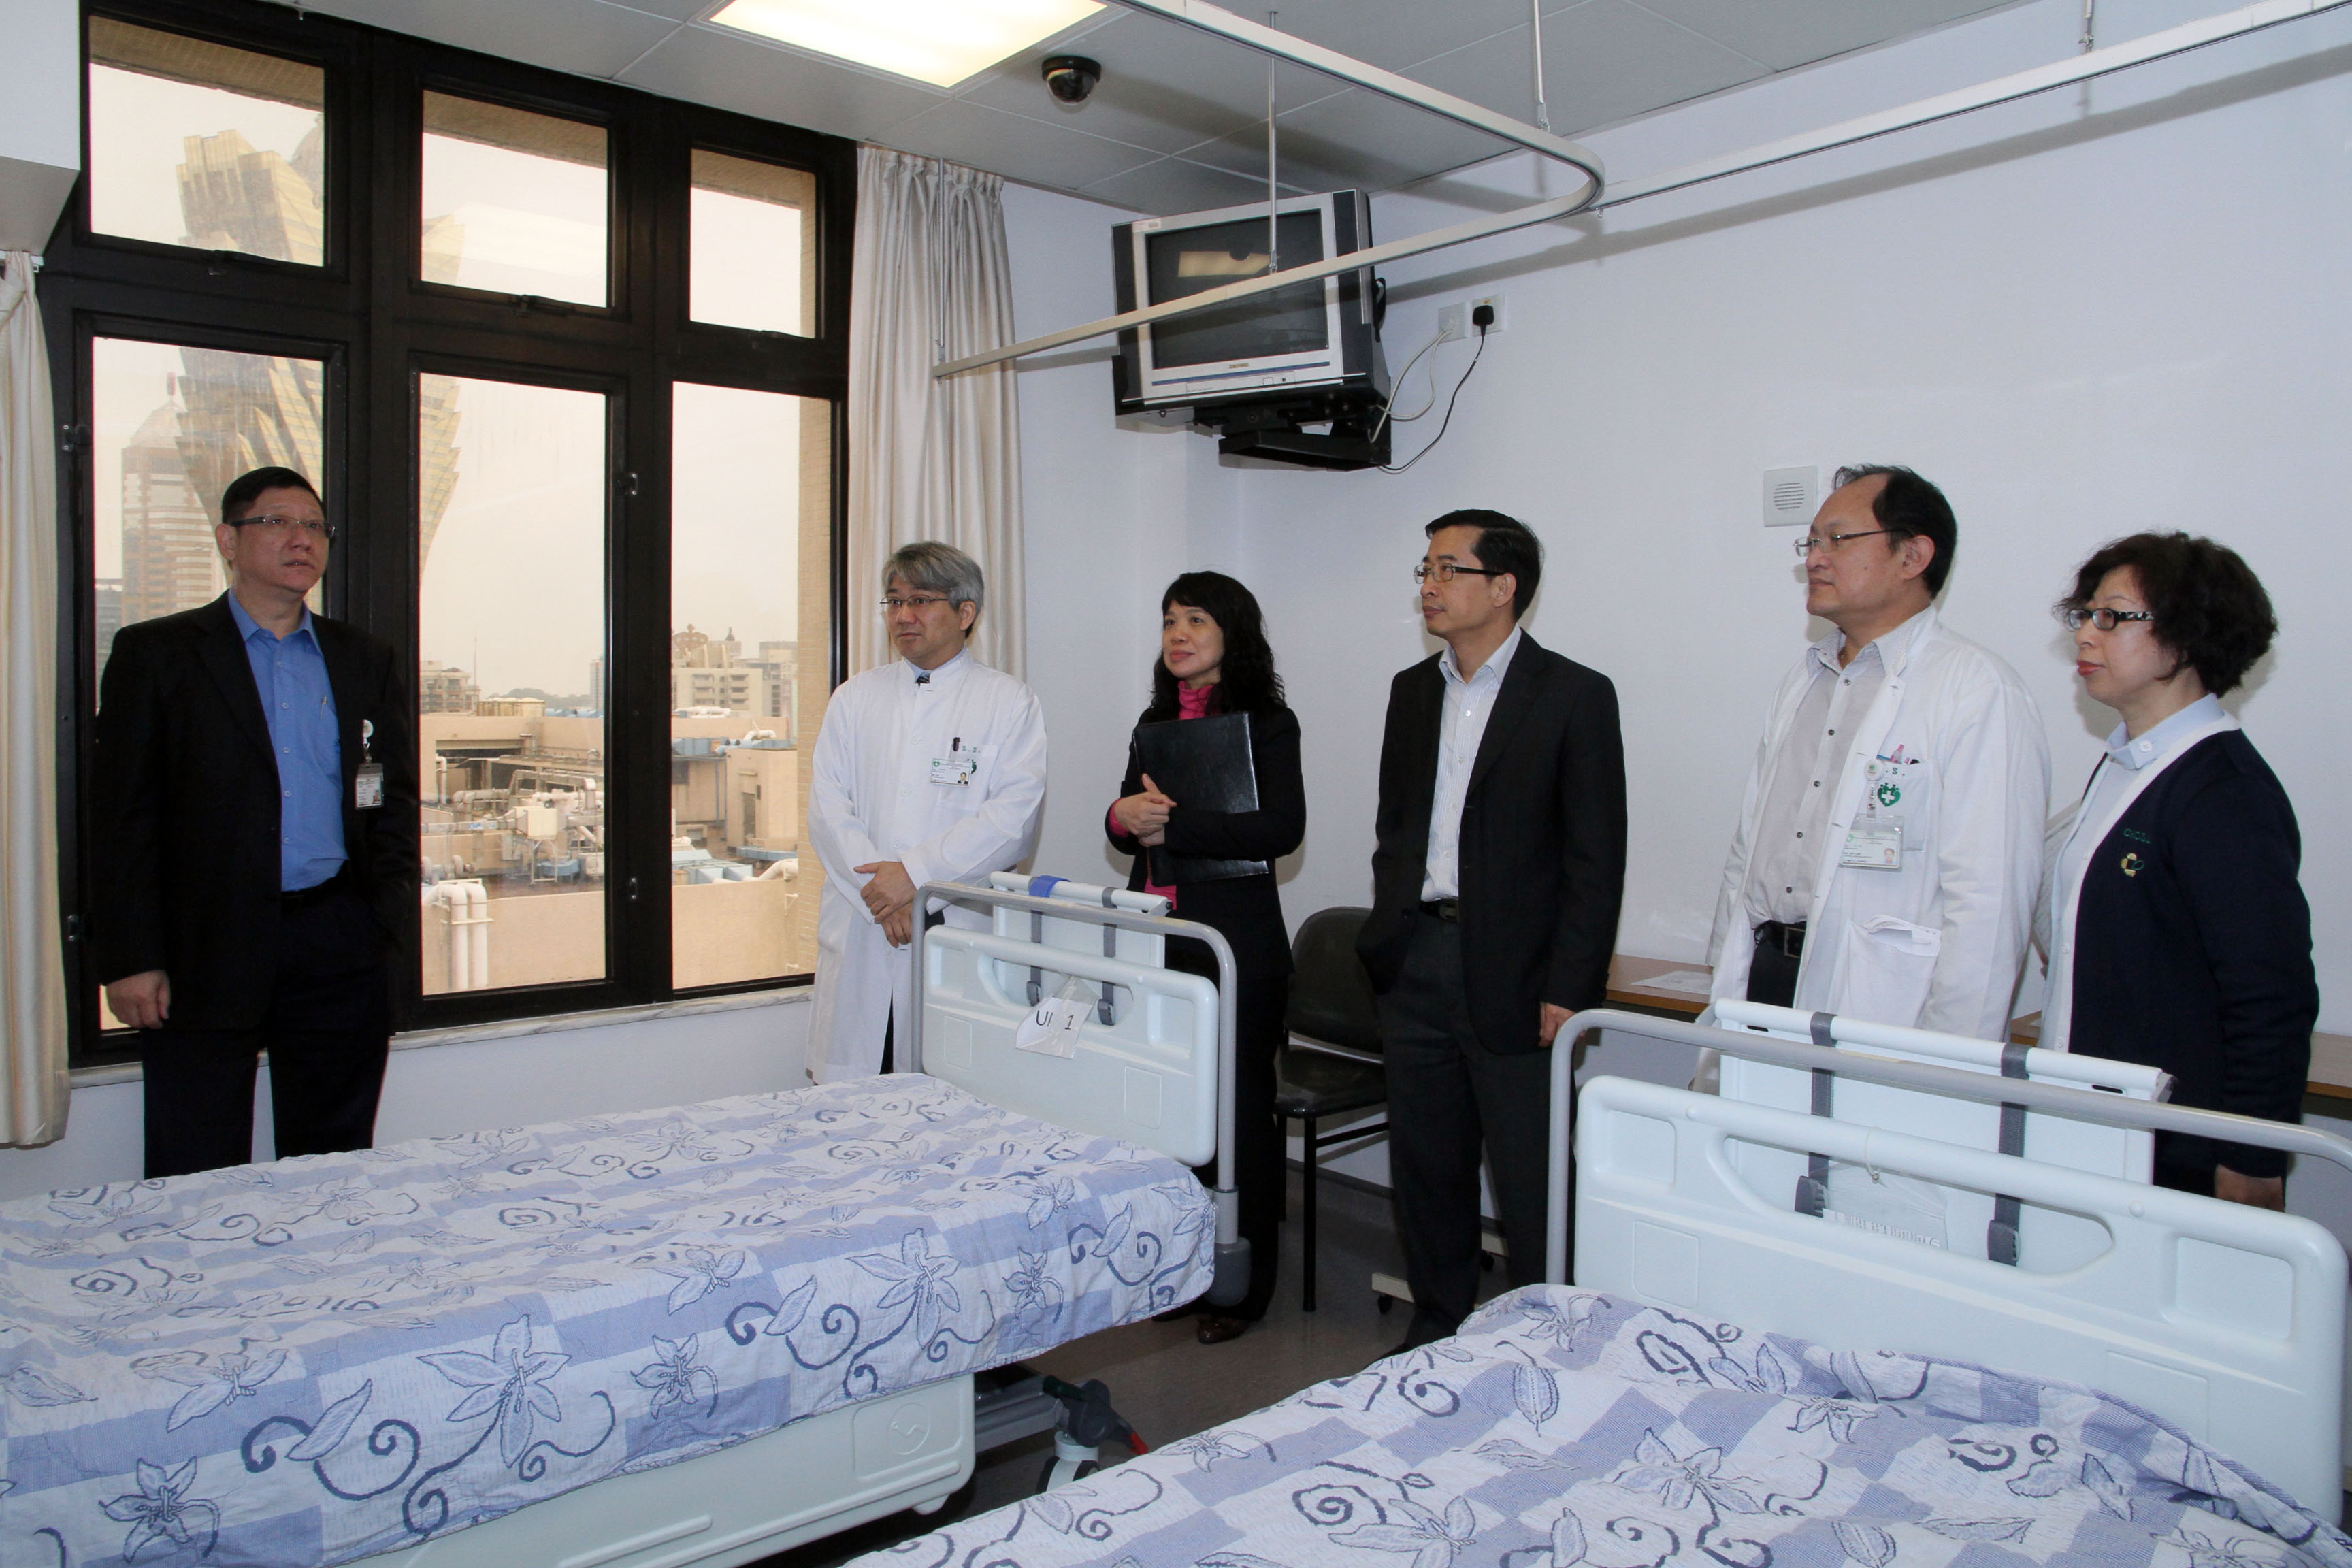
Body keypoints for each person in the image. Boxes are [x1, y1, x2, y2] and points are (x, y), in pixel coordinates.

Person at [91, 466, 417, 1179]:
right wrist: (131, 956)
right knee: (196, 1165)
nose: (302, 539)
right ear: (228, 541)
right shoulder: (158, 654)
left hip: (335, 938)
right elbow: (120, 818)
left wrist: (382, 918)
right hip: (202, 941)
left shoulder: (363, 658)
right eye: (277, 522)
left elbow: (390, 799)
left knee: (332, 1163)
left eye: (315, 526)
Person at [1358, 510, 1627, 1352]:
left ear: (1504, 587)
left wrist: (1570, 989)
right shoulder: (1413, 691)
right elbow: (1397, 825)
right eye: (1425, 569)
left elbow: (1595, 858)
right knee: (1427, 1163)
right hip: (1418, 955)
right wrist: (1389, 937)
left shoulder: (1574, 694)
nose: (1430, 586)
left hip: (1519, 969)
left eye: (1449, 569)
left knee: (1530, 1171)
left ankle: (1554, 1335)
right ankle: (1439, 1325)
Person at [1707, 466, 2048, 1038]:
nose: (1815, 559)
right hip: (1763, 977)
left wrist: (1950, 1060)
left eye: (1837, 539)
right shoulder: (1805, 678)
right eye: (1811, 543)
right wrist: (1724, 963)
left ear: (1913, 556)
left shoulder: (1977, 689)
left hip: (1882, 1004)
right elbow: (1750, 844)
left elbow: (1988, 906)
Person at [2039, 533, 2315, 1208]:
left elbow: (2269, 995)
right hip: (2090, 1129)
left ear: (2188, 636)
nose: (2086, 635)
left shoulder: (2223, 791)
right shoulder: (2128, 764)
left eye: (2113, 616)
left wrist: (2252, 1160)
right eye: (2085, 615)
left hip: (2175, 1150)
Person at [1107, 572, 1304, 1345]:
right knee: (1170, 1114)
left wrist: (1175, 827)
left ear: (1232, 633)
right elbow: (1124, 823)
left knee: (1240, 1121)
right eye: (1168, 621)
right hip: (1159, 942)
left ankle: (1244, 1289)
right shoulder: (1154, 723)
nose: (1178, 635)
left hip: (1236, 949)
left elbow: (1280, 829)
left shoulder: (1269, 723)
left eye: (1195, 620)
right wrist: (1121, 816)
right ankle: (1185, 1270)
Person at [807, 542, 1047, 1083]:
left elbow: (1012, 822)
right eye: (894, 602)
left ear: (966, 613)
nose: (903, 616)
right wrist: (884, 894)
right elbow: (828, 810)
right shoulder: (854, 698)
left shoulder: (1008, 702)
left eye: (920, 601)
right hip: (866, 923)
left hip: (952, 926)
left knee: (948, 1091)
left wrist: (915, 877)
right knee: (856, 1096)